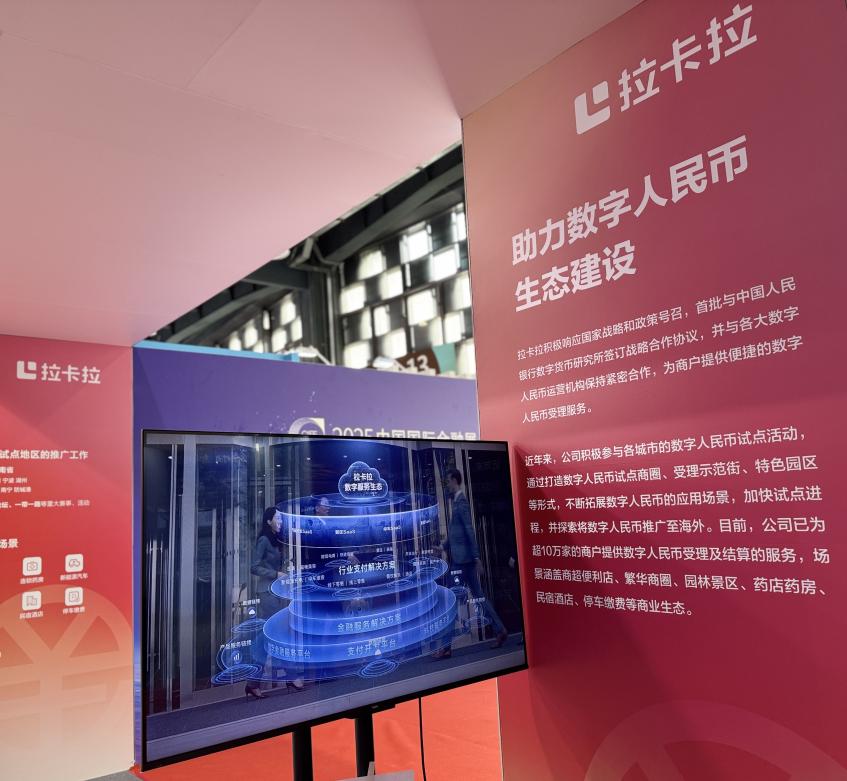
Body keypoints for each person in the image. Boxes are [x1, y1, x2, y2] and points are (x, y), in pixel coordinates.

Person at [433, 468, 507, 658]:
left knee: (451, 600)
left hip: (463, 562)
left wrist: (476, 557)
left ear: (455, 481)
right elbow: (455, 533)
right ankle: (499, 629)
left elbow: (469, 531)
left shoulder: (462, 503)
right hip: (464, 561)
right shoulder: (457, 503)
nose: (447, 485)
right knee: (479, 596)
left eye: (448, 481)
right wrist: (442, 547)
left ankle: (446, 646)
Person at [247, 506, 302, 698]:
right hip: (267, 593)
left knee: (269, 636)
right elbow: (254, 567)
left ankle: (253, 682)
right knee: (279, 633)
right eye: (277, 518)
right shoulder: (264, 540)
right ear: (269, 521)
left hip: (277, 592)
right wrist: (275, 574)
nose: (280, 521)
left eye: (281, 518)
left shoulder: (276, 539)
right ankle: (290, 676)